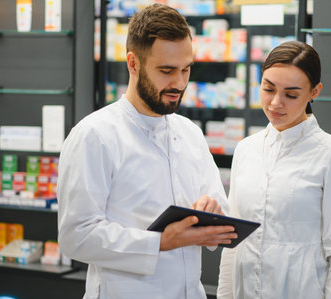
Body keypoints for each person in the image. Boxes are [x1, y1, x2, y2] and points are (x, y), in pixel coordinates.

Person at [57, 4, 237, 299]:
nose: (179, 83)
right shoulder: (96, 135)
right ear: (133, 63)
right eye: (166, 71)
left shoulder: (189, 133)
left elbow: (220, 207)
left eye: (186, 69)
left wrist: (214, 210)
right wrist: (160, 242)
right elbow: (76, 236)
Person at [217, 41, 331, 299]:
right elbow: (233, 242)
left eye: (291, 94)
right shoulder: (246, 150)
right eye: (268, 89)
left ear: (314, 92)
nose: (275, 103)